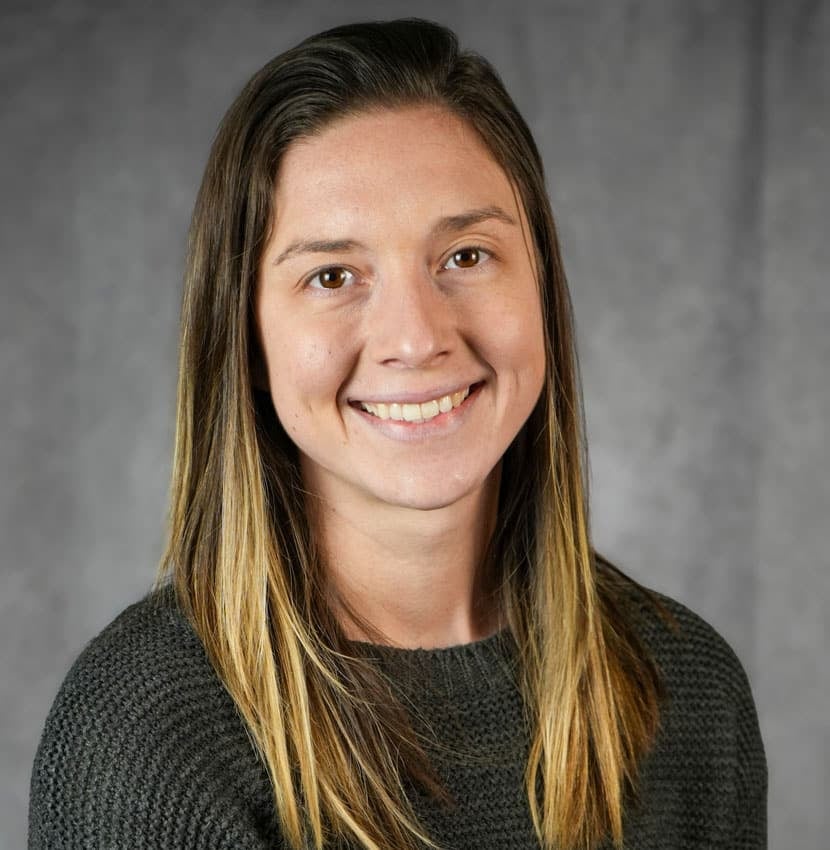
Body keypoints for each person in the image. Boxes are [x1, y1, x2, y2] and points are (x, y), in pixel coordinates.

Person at [28, 18, 766, 850]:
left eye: (465, 256)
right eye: (332, 275)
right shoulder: (146, 733)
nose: (417, 338)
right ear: (246, 340)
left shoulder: (689, 693)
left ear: (542, 286)